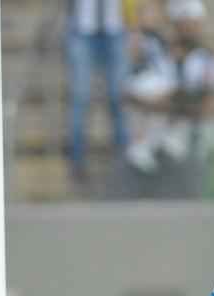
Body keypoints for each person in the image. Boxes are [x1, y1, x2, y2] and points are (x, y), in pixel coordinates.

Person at [124, 0, 214, 176]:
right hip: (156, 138)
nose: (189, 28)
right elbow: (132, 96)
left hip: (192, 136)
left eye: (194, 22)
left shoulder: (210, 59)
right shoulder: (159, 54)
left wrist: (170, 105)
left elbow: (211, 106)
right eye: (184, 22)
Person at [65, 0, 130, 185]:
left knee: (118, 100)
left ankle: (123, 165)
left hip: (116, 30)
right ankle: (77, 164)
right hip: (82, 30)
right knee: (80, 99)